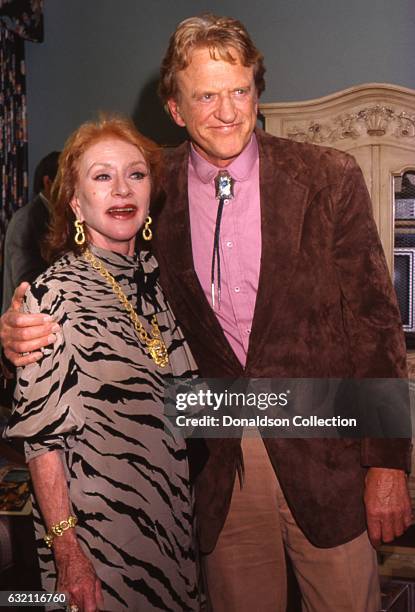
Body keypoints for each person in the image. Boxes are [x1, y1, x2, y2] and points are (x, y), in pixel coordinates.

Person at [0, 13, 412, 612]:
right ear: (175, 108)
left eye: (239, 90)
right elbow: (91, 277)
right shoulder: (147, 185)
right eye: (206, 95)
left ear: (257, 91)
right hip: (215, 465)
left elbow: (377, 327)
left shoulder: (327, 178)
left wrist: (388, 465)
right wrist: (17, 324)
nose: (226, 111)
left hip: (326, 454)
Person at [3, 116, 200, 612]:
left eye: (136, 174)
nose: (121, 189)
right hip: (99, 544)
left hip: (170, 528)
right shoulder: (51, 295)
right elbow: (41, 444)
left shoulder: (153, 282)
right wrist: (68, 551)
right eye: (101, 176)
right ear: (74, 201)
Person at [2, 151, 60, 313]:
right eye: (67, 179)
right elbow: (27, 284)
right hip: (25, 327)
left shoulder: (62, 218)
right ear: (48, 182)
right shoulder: (26, 220)